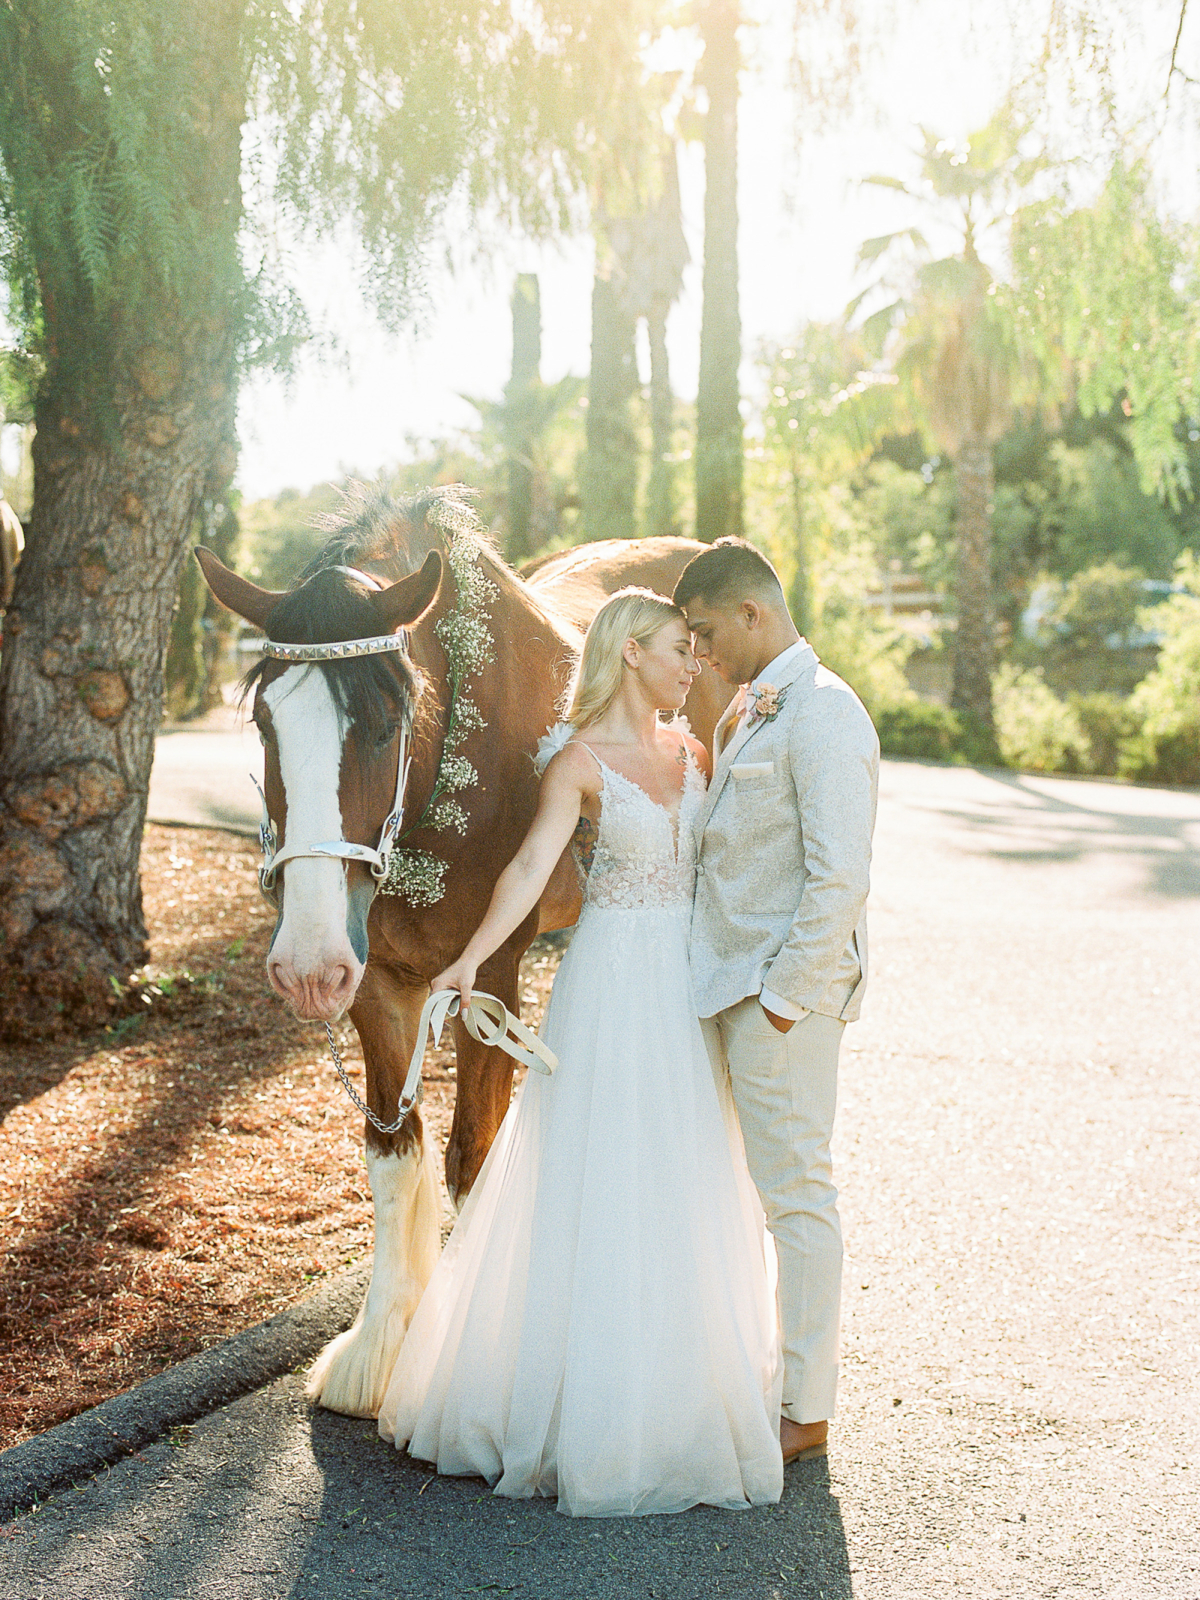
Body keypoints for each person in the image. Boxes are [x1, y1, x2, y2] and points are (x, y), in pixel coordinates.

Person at [377, 588, 784, 1517]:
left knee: (685, 1167)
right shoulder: (578, 761)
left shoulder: (694, 750)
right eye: (681, 649)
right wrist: (471, 960)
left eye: (696, 650)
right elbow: (528, 867)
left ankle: (680, 1382)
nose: (695, 664)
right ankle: (580, 1404)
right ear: (631, 652)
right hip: (612, 983)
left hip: (689, 982)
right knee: (597, 1169)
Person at [672, 537, 879, 1467]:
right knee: (742, 1196)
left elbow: (841, 876)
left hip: (777, 999)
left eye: (708, 634)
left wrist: (786, 1002)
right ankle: (752, 1371)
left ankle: (806, 1407)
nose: (702, 657)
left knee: (798, 1197)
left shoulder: (828, 715)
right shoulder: (745, 714)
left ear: (752, 613)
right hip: (722, 988)